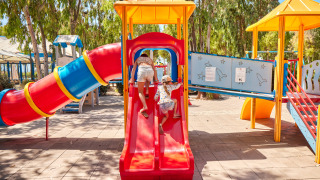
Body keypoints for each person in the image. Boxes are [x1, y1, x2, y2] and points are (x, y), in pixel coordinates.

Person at [129, 54, 158, 118]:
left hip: (142, 70)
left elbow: (133, 70)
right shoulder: (150, 60)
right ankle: (147, 91)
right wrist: (156, 79)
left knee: (140, 91)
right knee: (147, 79)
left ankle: (144, 106)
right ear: (146, 56)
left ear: (141, 56)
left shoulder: (138, 59)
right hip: (150, 71)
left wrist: (132, 79)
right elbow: (154, 69)